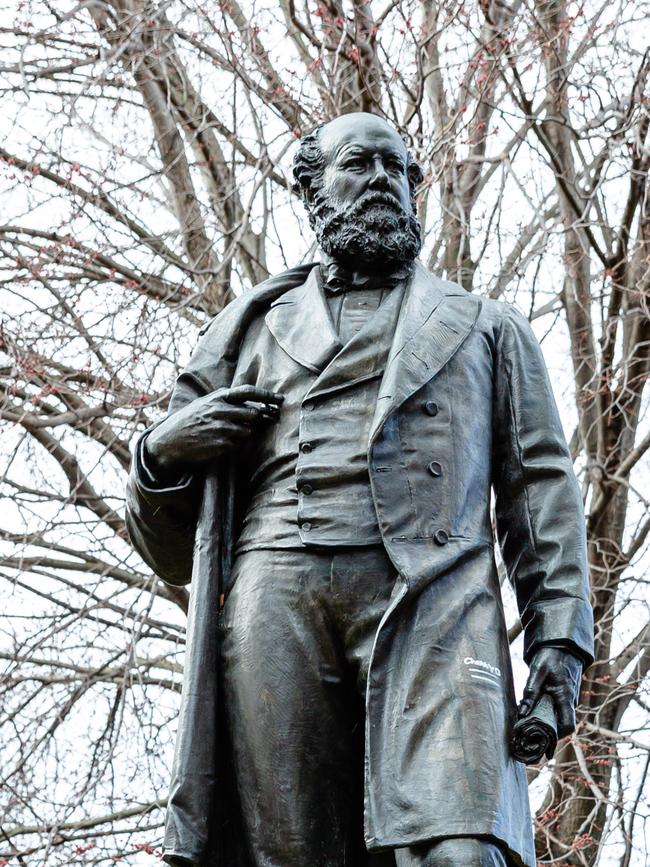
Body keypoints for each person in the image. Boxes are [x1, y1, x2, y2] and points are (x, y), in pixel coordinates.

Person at [126, 112, 594, 867]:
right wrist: (159, 454)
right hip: (277, 601)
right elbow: (172, 550)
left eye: (397, 168)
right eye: (358, 164)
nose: (382, 179)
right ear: (312, 192)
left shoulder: (487, 329)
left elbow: (542, 497)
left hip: (437, 603)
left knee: (463, 852)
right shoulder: (246, 334)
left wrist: (560, 646)